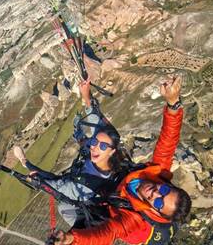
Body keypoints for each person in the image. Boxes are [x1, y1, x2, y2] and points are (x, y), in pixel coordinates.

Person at [56, 76, 192, 245]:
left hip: (109, 201)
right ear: (168, 185)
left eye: (158, 203)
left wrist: (70, 239)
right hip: (121, 181)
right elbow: (168, 141)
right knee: (108, 138)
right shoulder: (159, 175)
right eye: (164, 190)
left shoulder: (133, 221)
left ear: (154, 211)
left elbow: (107, 234)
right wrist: (173, 103)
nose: (156, 194)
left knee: (63, 192)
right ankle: (87, 99)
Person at [14, 71, 131, 228]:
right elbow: (97, 123)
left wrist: (34, 176)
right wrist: (86, 96)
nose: (95, 147)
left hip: (82, 196)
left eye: (102, 146)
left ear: (112, 151)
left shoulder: (84, 187)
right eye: (95, 142)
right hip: (86, 178)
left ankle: (87, 229)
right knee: (86, 141)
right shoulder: (111, 149)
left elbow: (57, 185)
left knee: (63, 207)